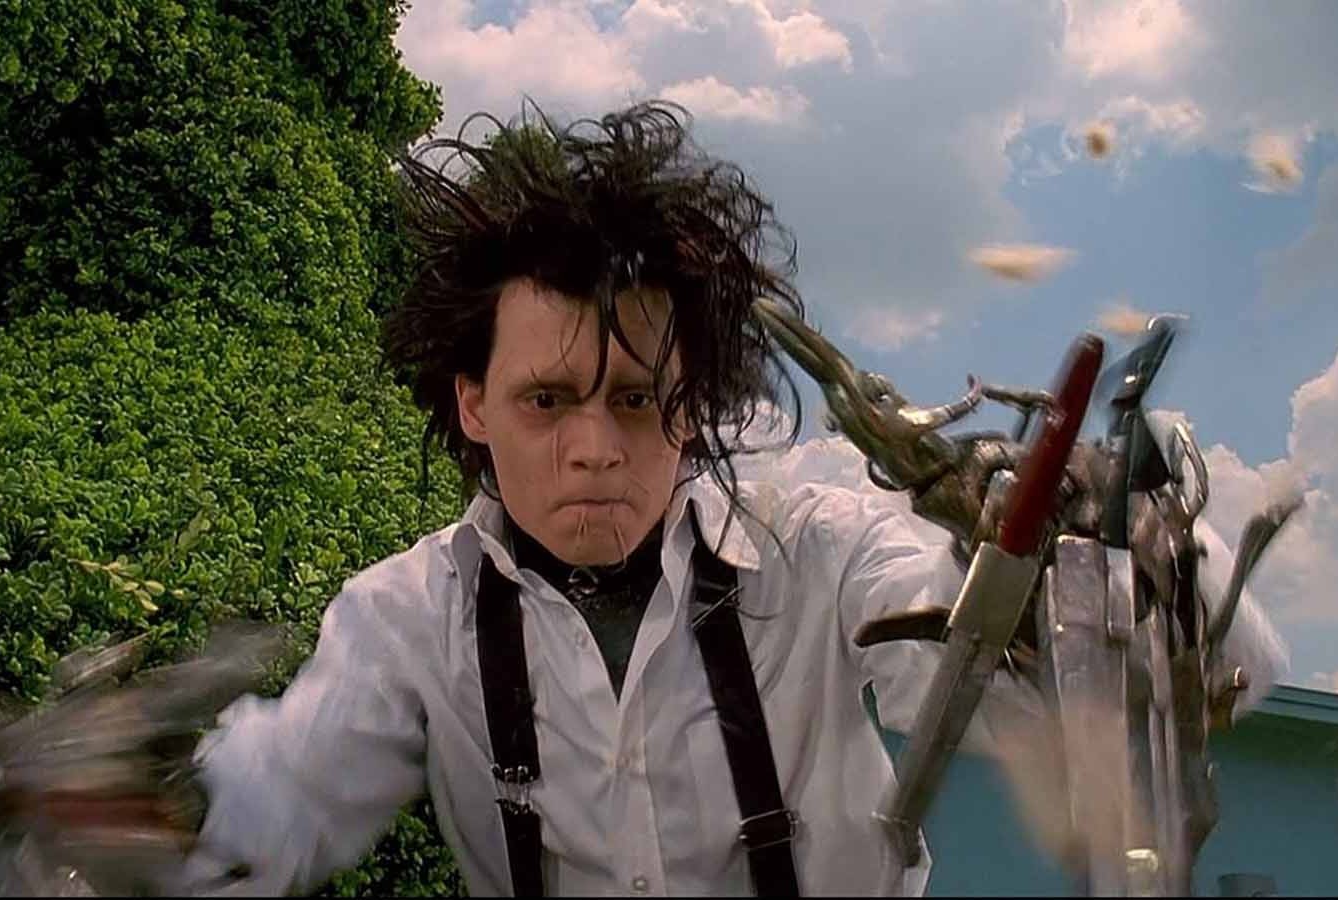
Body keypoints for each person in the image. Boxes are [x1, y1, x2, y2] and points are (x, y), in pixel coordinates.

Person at [182, 100, 1288, 897]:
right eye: (546, 400)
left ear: (695, 408)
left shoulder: (820, 549)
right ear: (473, 404)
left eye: (635, 400)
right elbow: (267, 812)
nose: (593, 451)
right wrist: (139, 816)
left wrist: (1123, 552)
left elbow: (1193, 682)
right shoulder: (406, 617)